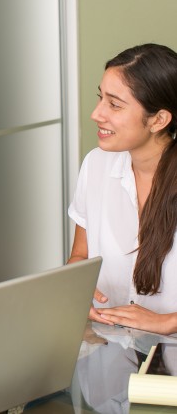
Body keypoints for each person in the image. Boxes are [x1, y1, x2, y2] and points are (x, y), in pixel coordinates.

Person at [67, 43, 177, 335]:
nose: (96, 113)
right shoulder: (96, 165)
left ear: (159, 120)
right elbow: (80, 256)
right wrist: (81, 294)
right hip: (110, 347)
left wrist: (167, 322)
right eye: (100, 98)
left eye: (114, 104)